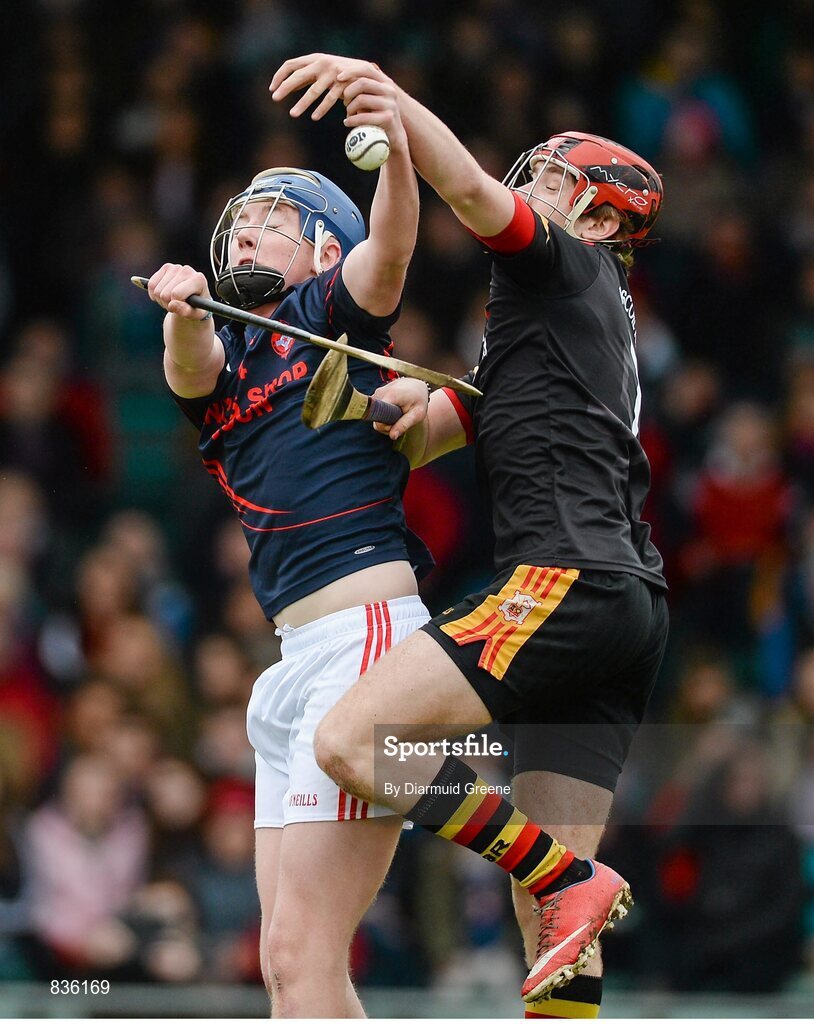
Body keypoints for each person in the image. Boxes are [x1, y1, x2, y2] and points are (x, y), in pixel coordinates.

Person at [270, 55, 669, 1016]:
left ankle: (574, 878)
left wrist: (391, 99)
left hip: (564, 581)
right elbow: (443, 422)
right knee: (552, 938)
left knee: (355, 742)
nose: (527, 189)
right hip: (628, 610)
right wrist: (404, 403)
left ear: (604, 220)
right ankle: (565, 885)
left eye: (550, 182)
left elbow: (465, 187)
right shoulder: (577, 323)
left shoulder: (564, 264)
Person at [144, 70, 432, 1018]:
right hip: (291, 663)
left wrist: (393, 152)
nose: (240, 236)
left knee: (301, 957)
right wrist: (185, 312)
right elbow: (191, 372)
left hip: (364, 642)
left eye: (267, 218)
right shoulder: (221, 358)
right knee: (290, 967)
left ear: (320, 247)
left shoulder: (329, 319)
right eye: (233, 224)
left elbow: (388, 251)